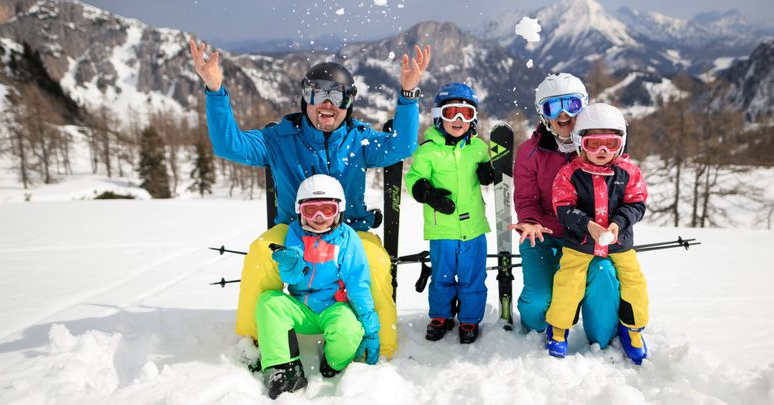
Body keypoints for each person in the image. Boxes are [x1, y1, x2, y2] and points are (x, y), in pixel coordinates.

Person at [188, 37, 431, 360]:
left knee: (375, 261)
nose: (327, 104)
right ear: (306, 98)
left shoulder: (358, 140)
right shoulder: (280, 139)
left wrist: (409, 95)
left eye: (337, 96)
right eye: (318, 94)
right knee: (262, 252)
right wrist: (215, 91)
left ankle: (381, 348)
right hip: (294, 233)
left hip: (350, 231)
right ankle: (255, 341)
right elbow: (229, 146)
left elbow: (400, 147)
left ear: (349, 103)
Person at [508, 73, 622, 353]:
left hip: (586, 236)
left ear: (583, 106)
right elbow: (525, 196)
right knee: (538, 305)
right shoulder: (530, 152)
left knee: (604, 275)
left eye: (571, 104)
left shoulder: (598, 146)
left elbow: (621, 187)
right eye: (552, 107)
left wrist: (616, 224)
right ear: (542, 114)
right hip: (544, 235)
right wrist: (531, 221)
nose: (562, 114)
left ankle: (602, 341)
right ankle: (545, 329)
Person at [257, 175, 379, 398]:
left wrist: (371, 329)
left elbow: (358, 283)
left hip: (333, 308)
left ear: (339, 210)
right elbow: (293, 277)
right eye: (311, 211)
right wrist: (291, 264)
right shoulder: (295, 231)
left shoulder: (347, 238)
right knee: (269, 302)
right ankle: (286, 368)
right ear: (300, 211)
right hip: (300, 308)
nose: (319, 217)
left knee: (348, 329)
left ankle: (333, 362)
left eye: (327, 209)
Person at [547, 103, 650, 364]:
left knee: (634, 282)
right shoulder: (569, 174)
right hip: (580, 244)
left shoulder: (628, 173)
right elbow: (564, 207)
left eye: (610, 144)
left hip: (619, 244)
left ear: (622, 144)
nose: (602, 151)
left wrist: (618, 224)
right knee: (568, 282)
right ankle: (558, 328)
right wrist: (588, 225)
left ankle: (632, 328)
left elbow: (636, 204)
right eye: (594, 144)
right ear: (580, 143)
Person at [404, 82, 495, 344]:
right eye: (451, 112)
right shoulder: (428, 150)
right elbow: (414, 178)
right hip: (442, 228)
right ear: (438, 116)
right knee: (442, 276)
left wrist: (487, 173)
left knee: (473, 277)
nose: (457, 120)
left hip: (474, 228)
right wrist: (427, 193)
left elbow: (486, 170)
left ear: (473, 119)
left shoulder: (478, 148)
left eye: (465, 114)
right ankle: (441, 315)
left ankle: (469, 319)